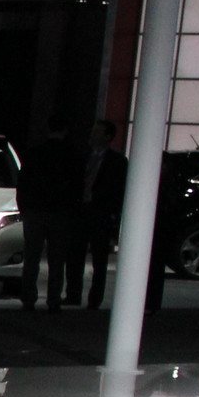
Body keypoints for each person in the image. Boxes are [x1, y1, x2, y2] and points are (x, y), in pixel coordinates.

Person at [16, 117, 85, 313]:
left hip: (35, 211)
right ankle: (53, 299)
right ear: (65, 130)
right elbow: (77, 187)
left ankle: (28, 297)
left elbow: (23, 182)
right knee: (57, 259)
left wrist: (24, 208)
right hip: (60, 212)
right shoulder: (72, 155)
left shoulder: (35, 153)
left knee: (32, 257)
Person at [76, 118, 130, 310]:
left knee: (99, 259)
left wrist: (113, 213)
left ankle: (95, 298)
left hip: (101, 213)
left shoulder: (118, 162)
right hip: (81, 210)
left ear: (108, 136)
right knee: (75, 253)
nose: (92, 135)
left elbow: (118, 190)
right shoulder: (83, 157)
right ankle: (73, 293)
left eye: (97, 132)